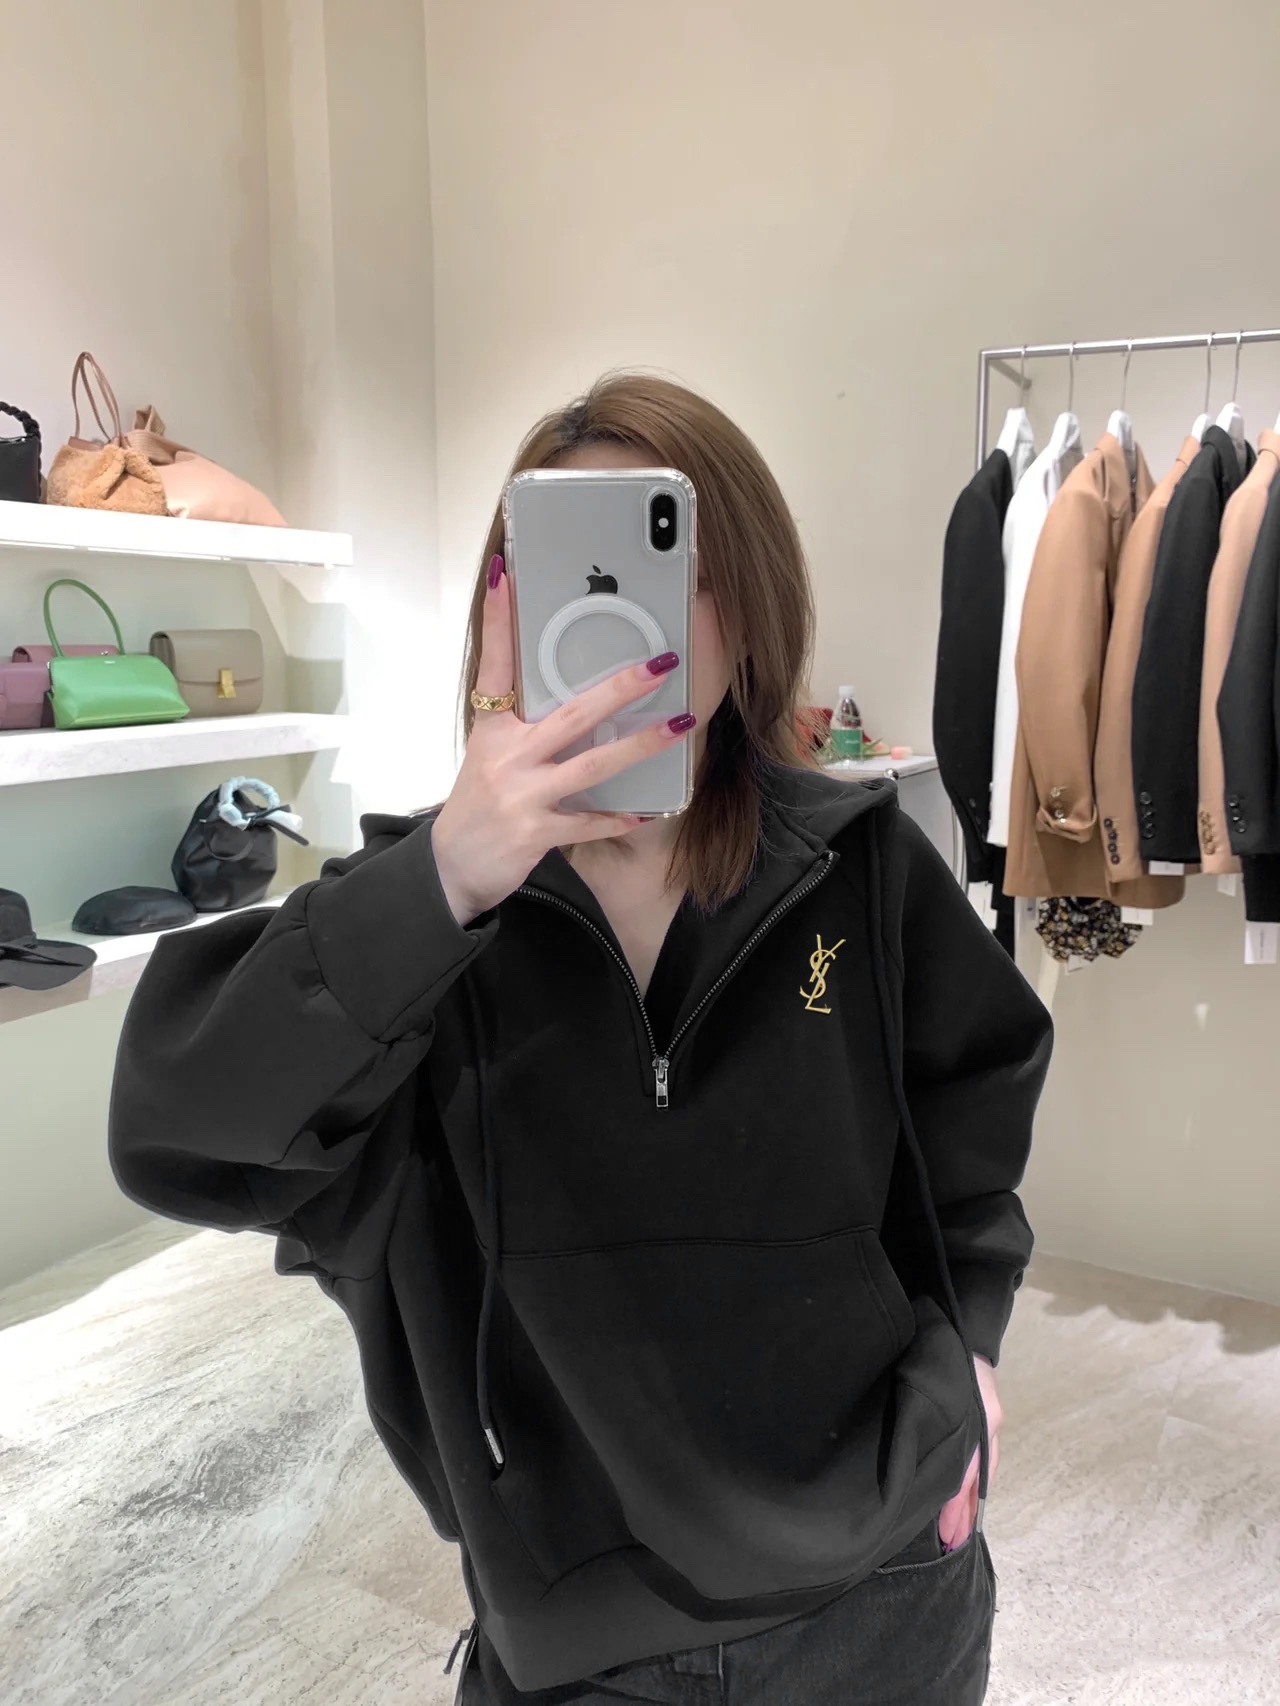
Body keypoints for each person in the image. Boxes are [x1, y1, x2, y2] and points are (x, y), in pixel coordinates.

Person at [108, 373, 1053, 1705]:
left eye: (672, 567)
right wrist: (448, 874)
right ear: (503, 614)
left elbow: (974, 1122)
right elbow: (176, 1130)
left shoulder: (864, 869)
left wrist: (974, 1355)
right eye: (568, 572)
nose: (618, 620)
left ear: (751, 609)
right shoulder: (418, 924)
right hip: (574, 1642)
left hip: (883, 1597)